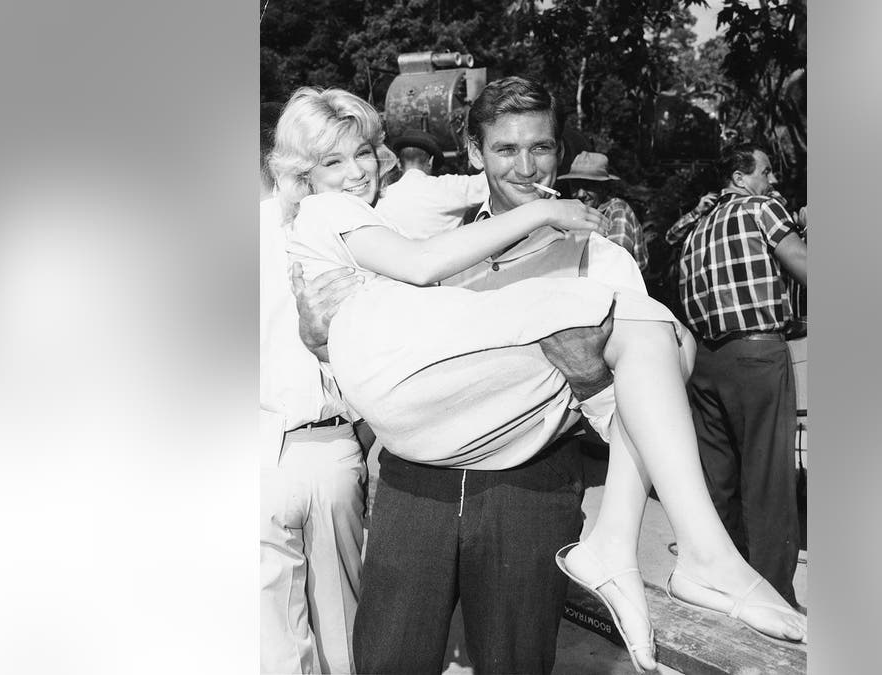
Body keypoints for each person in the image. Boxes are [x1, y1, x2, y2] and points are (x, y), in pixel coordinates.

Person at [273, 81, 806, 674]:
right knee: (388, 660)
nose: (526, 167)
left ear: (558, 151)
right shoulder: (430, 240)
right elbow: (383, 359)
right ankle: (688, 555)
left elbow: (641, 420)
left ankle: (650, 551)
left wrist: (590, 382)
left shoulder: (598, 255)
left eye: (542, 148)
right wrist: (320, 343)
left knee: (515, 664)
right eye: (505, 150)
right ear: (474, 154)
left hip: (528, 492)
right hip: (415, 486)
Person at [671, 143, 809, 612]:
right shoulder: (763, 208)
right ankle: (773, 599)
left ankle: (721, 584)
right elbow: (803, 264)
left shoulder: (696, 227)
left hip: (705, 362)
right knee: (768, 482)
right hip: (756, 356)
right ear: (739, 176)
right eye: (766, 171)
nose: (772, 181)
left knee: (717, 482)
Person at [260, 169, 374, 670]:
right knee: (341, 630)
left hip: (261, 446)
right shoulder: (362, 234)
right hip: (331, 441)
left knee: (274, 639)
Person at [373, 127, 490, 240]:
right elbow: (492, 182)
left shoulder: (380, 198)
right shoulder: (449, 187)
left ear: (398, 163)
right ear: (431, 161)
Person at [558, 150, 649, 272]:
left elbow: (615, 264)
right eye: (575, 185)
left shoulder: (617, 211)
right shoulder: (578, 213)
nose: (580, 194)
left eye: (588, 186)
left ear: (604, 187)